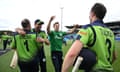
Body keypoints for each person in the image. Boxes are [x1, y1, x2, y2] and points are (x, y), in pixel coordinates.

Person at [62, 3, 116, 72]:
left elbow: (72, 54)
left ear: (92, 13)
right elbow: (114, 57)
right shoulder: (110, 32)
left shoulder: (88, 29)